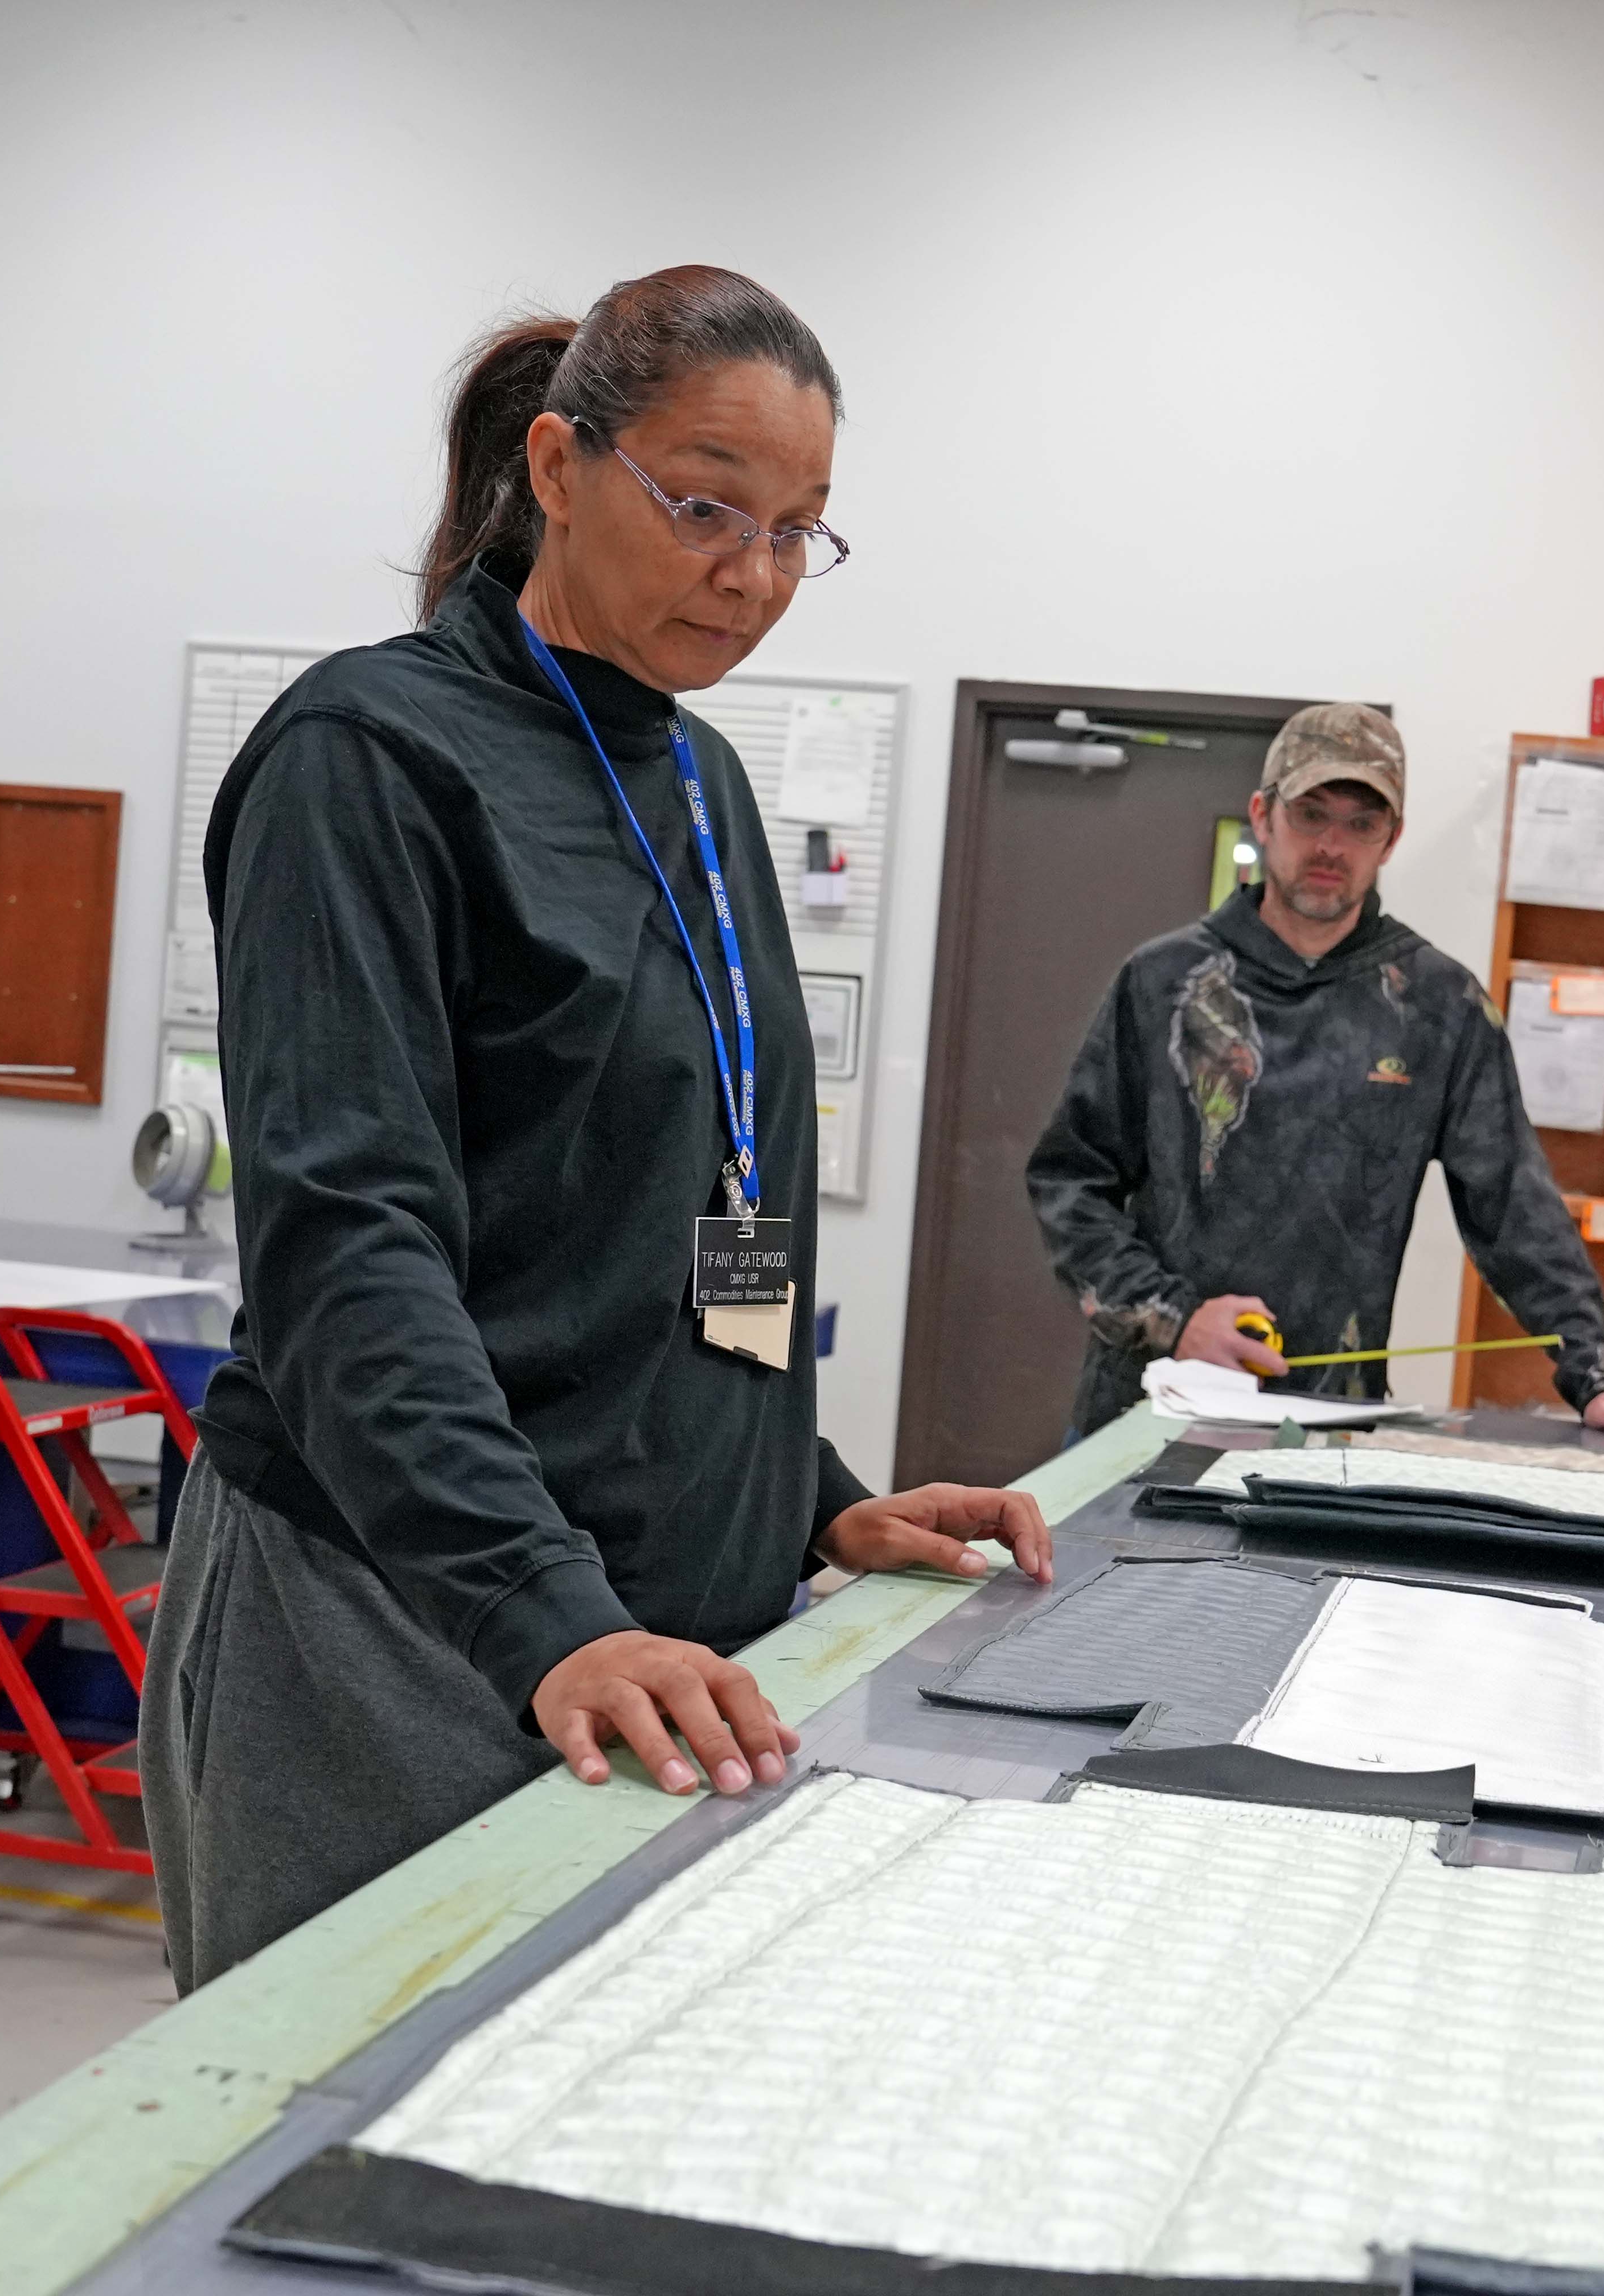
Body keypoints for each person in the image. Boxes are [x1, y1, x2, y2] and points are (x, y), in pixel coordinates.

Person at [141, 268, 1050, 1992]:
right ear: (558, 468)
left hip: (661, 1633)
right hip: (412, 1619)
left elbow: (722, 1210)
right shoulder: (369, 757)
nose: (756, 574)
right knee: (343, 2155)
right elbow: (352, 1252)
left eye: (801, 532)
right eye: (708, 506)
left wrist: (807, 1504)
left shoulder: (702, 789)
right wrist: (544, 1610)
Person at [1027, 703, 1604, 1446]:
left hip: (1328, 1427)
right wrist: (1173, 1316)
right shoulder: (1165, 983)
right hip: (1149, 1406)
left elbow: (1514, 1205)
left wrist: (1596, 1373)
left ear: (1392, 840)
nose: (1331, 845)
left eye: (1360, 824)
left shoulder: (1439, 1006)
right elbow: (1070, 1183)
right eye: (1311, 813)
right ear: (1263, 814)